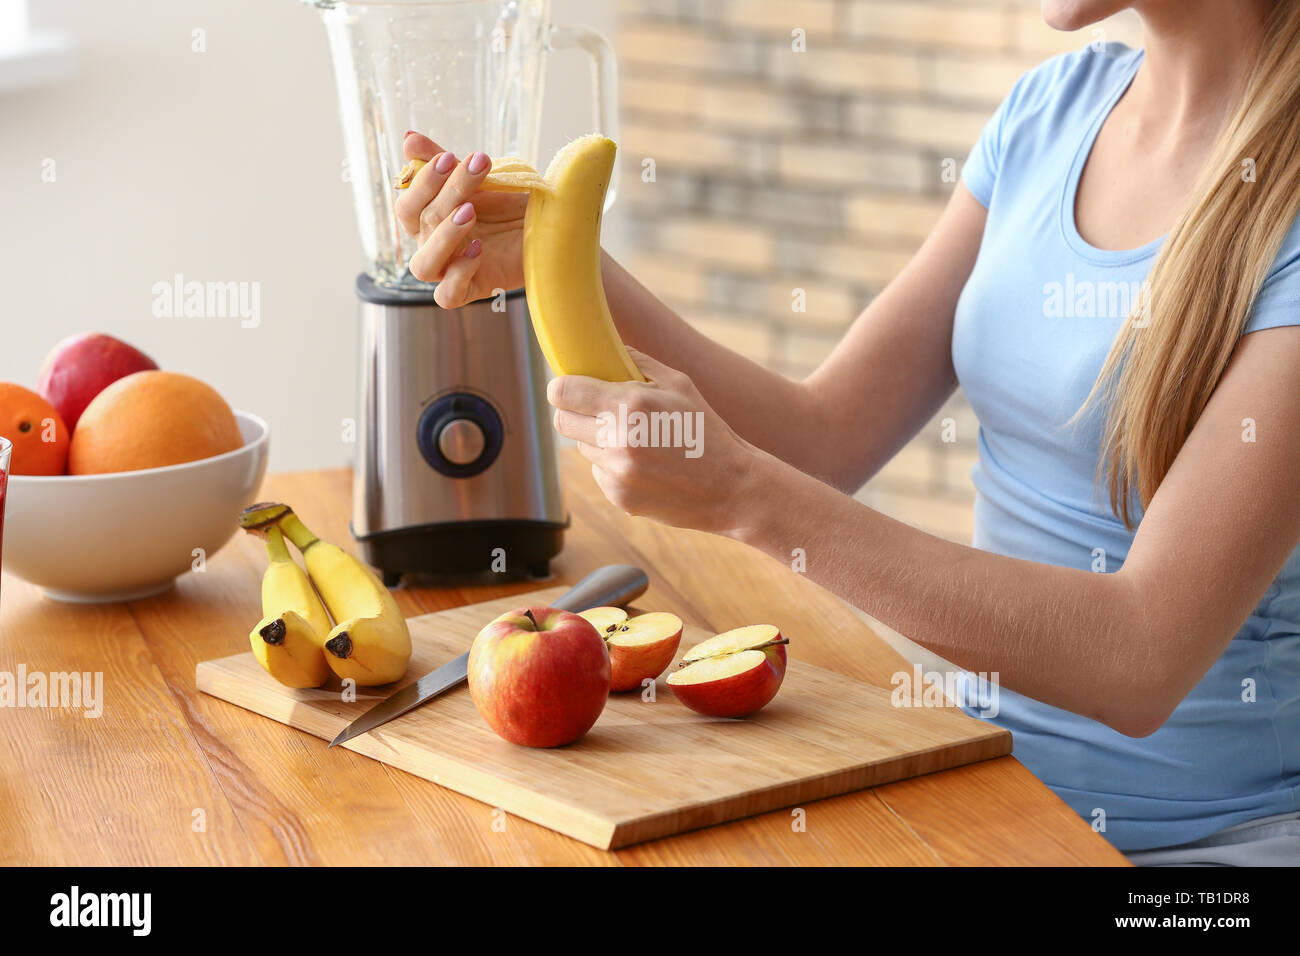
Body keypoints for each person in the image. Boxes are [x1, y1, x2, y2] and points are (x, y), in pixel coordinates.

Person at [394, 0, 1300, 864]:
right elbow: (822, 438)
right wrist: (557, 260)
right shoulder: (1052, 113)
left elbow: (1137, 658)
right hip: (984, 792)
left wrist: (746, 497)